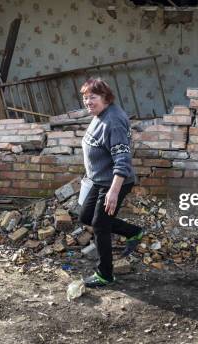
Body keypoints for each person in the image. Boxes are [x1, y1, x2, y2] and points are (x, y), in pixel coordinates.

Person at [78, 78, 143, 288]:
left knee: (100, 225)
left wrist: (113, 192)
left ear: (106, 98)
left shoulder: (113, 121)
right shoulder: (100, 115)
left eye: (92, 97)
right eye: (85, 98)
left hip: (114, 182)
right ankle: (133, 232)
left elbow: (123, 161)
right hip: (99, 180)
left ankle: (105, 274)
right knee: (86, 216)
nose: (88, 102)